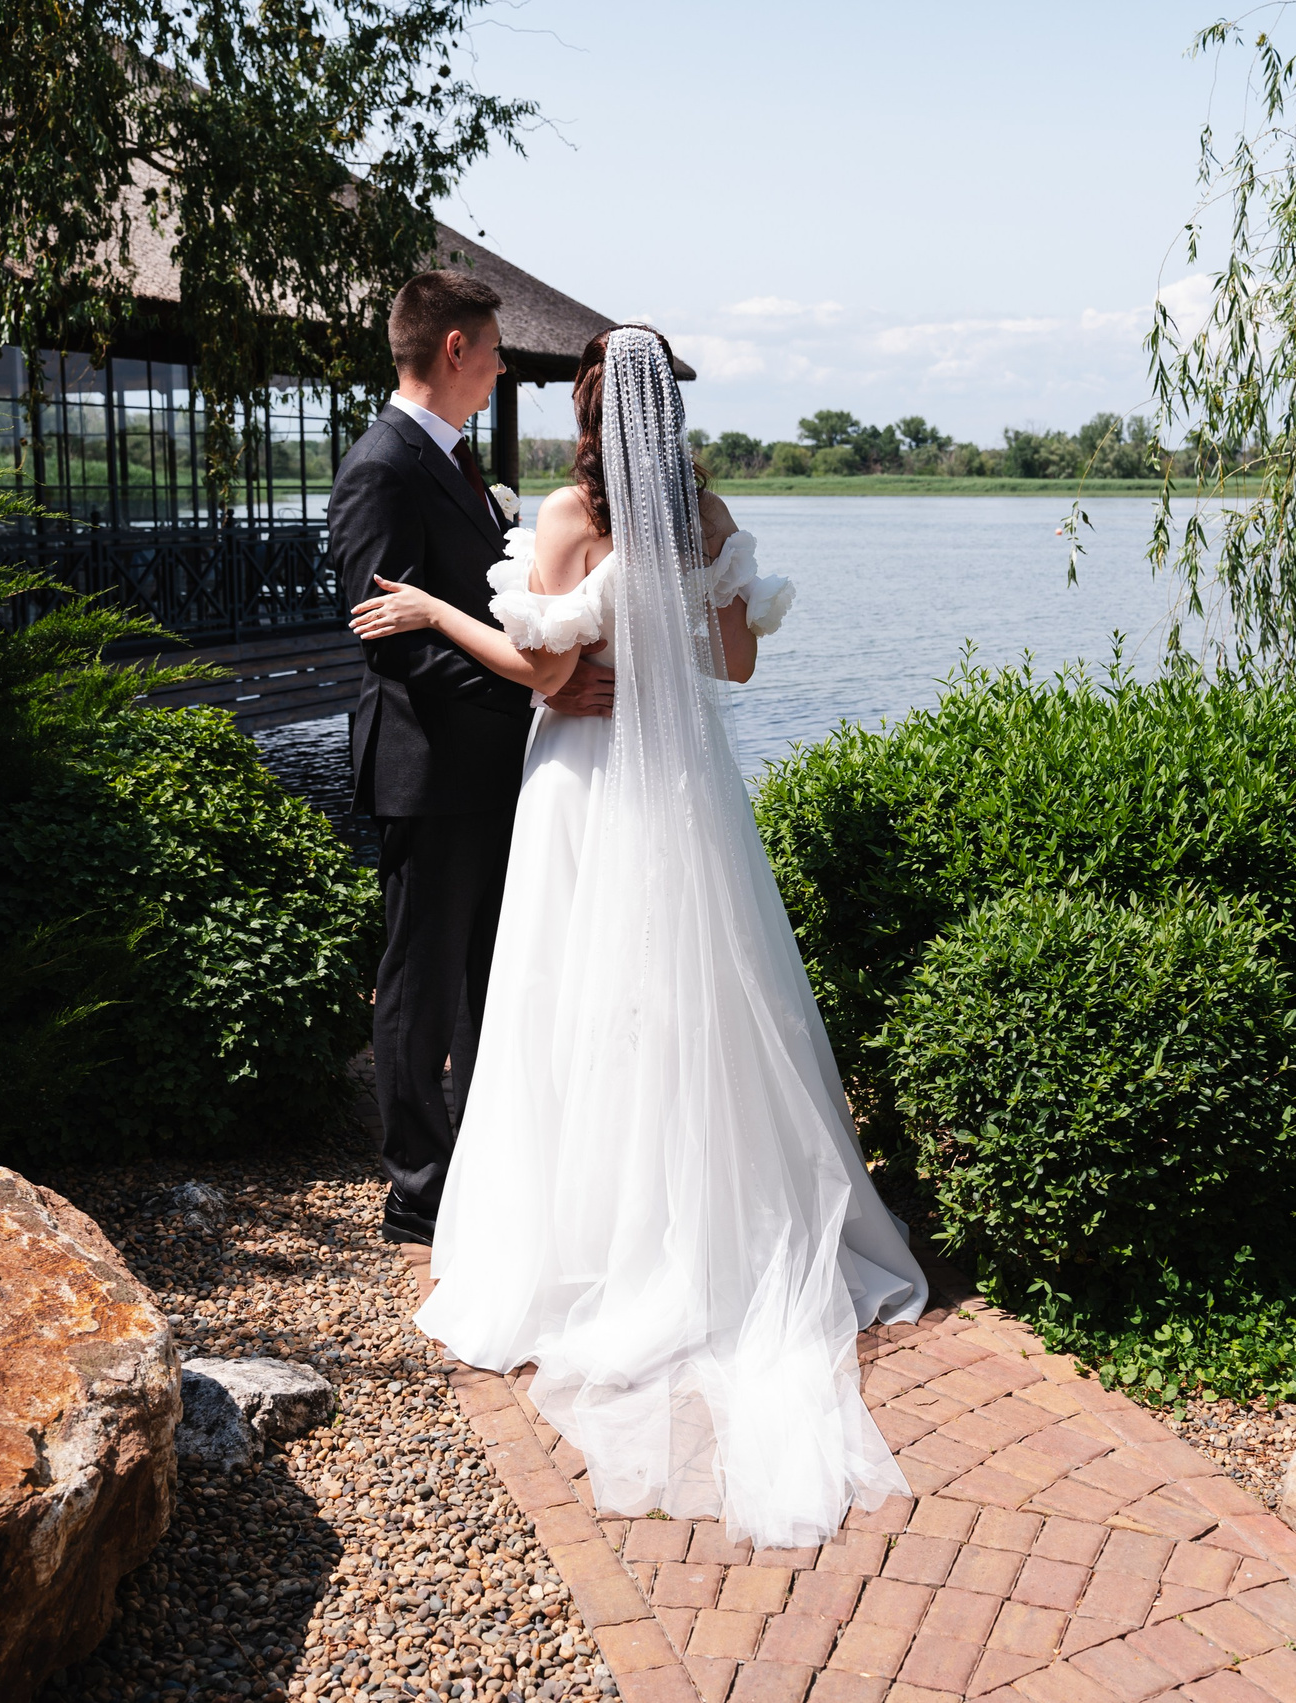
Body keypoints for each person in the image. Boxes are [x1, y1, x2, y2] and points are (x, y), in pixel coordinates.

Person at [346, 326, 928, 1549]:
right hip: (687, 787)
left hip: (585, 786)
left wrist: (437, 611)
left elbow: (544, 675)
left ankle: (595, 1241)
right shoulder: (707, 519)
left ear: (591, 416)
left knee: (578, 999)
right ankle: (715, 1226)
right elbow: (738, 662)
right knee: (699, 990)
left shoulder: (564, 518)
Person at [330, 270, 614, 1246]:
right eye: (492, 352)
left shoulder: (452, 462)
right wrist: (536, 686)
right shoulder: (381, 465)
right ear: (455, 349)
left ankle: (495, 1164)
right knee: (421, 978)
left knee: (498, 971)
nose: (499, 369)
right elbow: (391, 640)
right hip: (427, 766)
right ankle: (418, 1191)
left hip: (497, 764)